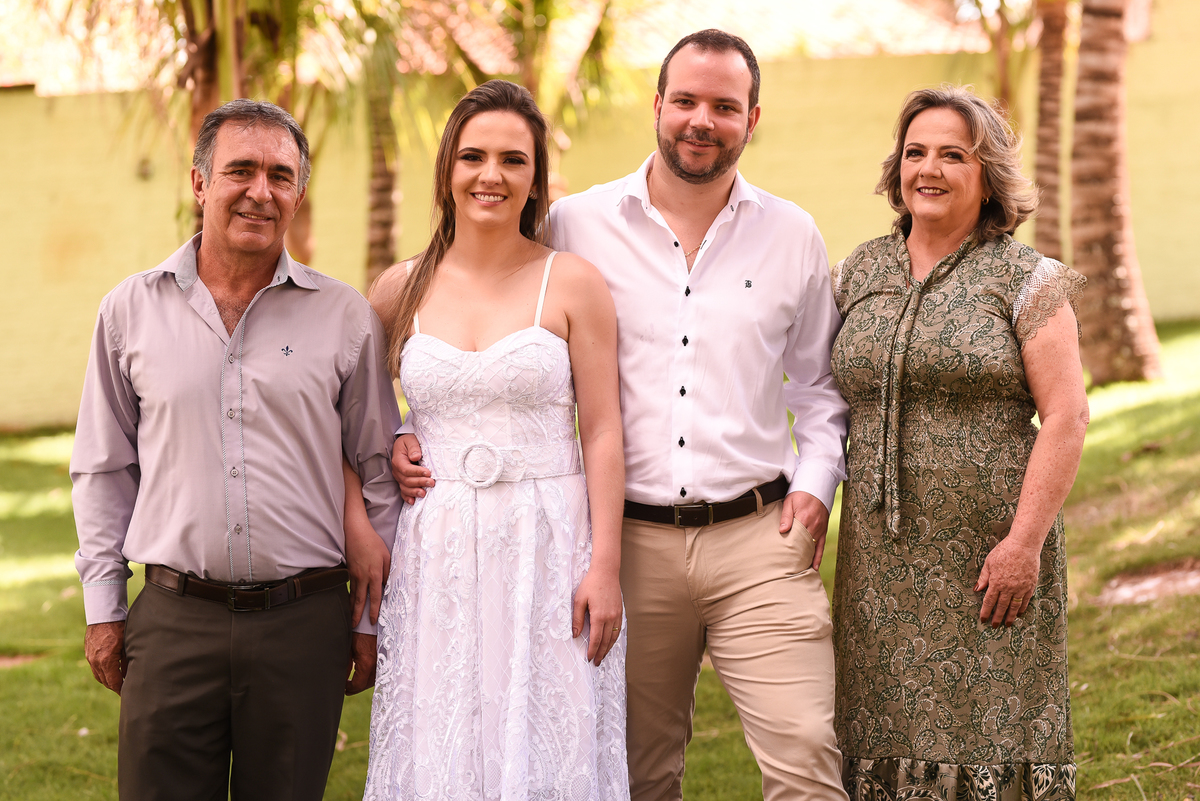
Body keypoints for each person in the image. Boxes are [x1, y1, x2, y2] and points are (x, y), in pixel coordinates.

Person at [396, 30, 851, 801]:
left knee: (806, 751)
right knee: (636, 773)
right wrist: (415, 427)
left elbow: (817, 387)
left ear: (753, 117)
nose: (701, 120)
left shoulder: (793, 235)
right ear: (658, 106)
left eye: (724, 106)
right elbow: (483, 305)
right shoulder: (576, 225)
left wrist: (815, 483)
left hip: (760, 537)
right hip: (626, 546)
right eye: (685, 101)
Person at [70, 99, 402, 799]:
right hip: (171, 618)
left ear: (298, 192)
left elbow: (378, 473)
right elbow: (104, 468)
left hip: (304, 622)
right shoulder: (128, 311)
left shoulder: (344, 317)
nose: (261, 190)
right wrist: (105, 607)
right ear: (199, 183)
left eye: (281, 175)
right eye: (240, 170)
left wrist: (373, 618)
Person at [356, 79, 628, 800]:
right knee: (445, 735)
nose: (491, 175)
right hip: (438, 547)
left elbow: (601, 430)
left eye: (513, 159)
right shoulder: (398, 289)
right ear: (448, 169)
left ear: (536, 177)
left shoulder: (571, 283)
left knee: (549, 734)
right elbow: (353, 413)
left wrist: (605, 565)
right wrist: (394, 438)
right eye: (473, 156)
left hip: (548, 542)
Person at [829, 85, 1088, 800]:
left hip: (991, 557)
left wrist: (1024, 544)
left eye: (953, 154)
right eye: (916, 152)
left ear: (988, 174)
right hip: (878, 570)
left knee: (993, 735)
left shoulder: (1025, 280)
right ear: (897, 168)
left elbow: (1066, 416)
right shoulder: (856, 273)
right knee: (878, 735)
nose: (929, 169)